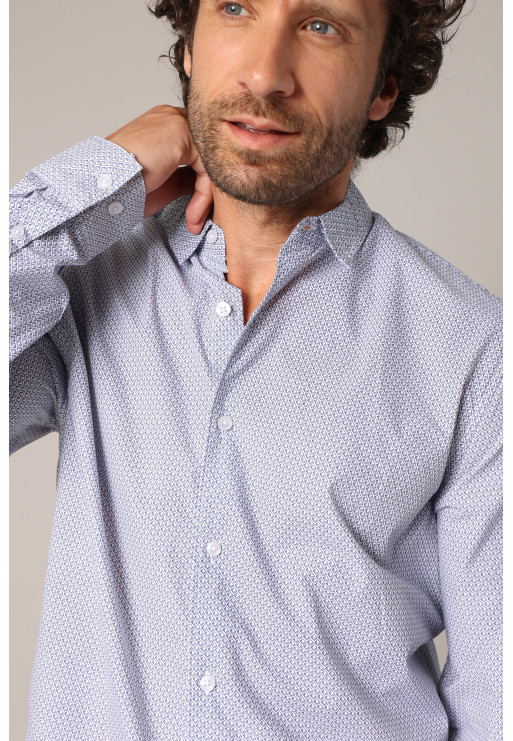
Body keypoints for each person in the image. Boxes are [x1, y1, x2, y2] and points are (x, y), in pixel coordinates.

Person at [9, 0, 502, 739]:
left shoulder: (474, 347)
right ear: (189, 47)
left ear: (383, 87)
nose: (267, 75)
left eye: (321, 25)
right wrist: (104, 174)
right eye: (236, 7)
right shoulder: (81, 280)